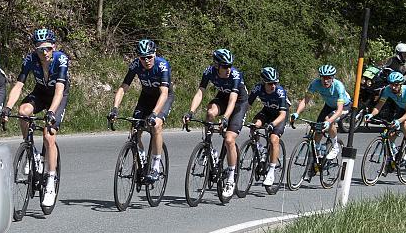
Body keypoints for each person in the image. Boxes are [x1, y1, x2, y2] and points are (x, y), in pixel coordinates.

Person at [0, 29, 69, 210]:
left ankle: (51, 181)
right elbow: (19, 85)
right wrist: (7, 107)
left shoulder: (61, 60)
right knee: (23, 111)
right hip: (40, 92)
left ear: (53, 47)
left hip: (57, 96)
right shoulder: (31, 59)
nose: (44, 52)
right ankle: (31, 152)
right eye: (39, 49)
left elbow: (60, 90)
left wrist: (52, 112)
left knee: (48, 136)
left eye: (47, 48)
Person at [183, 49, 249, 200]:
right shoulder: (209, 71)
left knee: (229, 140)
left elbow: (233, 100)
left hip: (238, 103)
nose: (228, 69)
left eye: (230, 66)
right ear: (217, 65)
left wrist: (225, 118)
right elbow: (200, 92)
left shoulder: (235, 75)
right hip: (222, 98)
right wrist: (190, 112)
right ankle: (208, 146)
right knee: (210, 113)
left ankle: (231, 178)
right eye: (225, 66)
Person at [107, 39, 173, 181]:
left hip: (163, 98)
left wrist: (155, 114)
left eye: (149, 57)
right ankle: (142, 163)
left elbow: (164, 93)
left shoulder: (162, 65)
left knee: (156, 125)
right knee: (135, 130)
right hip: (146, 97)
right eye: (142, 57)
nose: (146, 60)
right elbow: (123, 88)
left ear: (154, 54)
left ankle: (155, 167)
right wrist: (115, 109)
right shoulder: (136, 64)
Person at [290, 65, 352, 160]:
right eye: (323, 78)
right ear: (320, 77)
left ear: (333, 78)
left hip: (344, 106)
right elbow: (306, 100)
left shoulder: (339, 86)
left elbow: (339, 110)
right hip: (329, 106)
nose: (326, 80)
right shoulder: (315, 84)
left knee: (328, 120)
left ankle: (335, 147)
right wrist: (297, 113)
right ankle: (318, 153)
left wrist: (328, 122)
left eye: (328, 78)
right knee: (318, 128)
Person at [247, 67, 290, 186]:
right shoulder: (258, 88)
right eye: (270, 83)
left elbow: (283, 114)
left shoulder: (280, 92)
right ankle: (261, 150)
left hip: (280, 115)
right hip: (267, 111)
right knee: (254, 125)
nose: (273, 86)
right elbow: (247, 105)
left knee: (273, 139)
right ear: (263, 82)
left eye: (275, 83)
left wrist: (272, 124)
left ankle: (271, 171)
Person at [365, 71, 406, 160]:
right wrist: (371, 115)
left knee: (404, 124)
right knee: (390, 133)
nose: (393, 87)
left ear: (401, 84)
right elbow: (379, 106)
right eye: (391, 84)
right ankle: (393, 154)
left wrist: (398, 121)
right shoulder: (387, 90)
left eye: (396, 84)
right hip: (402, 108)